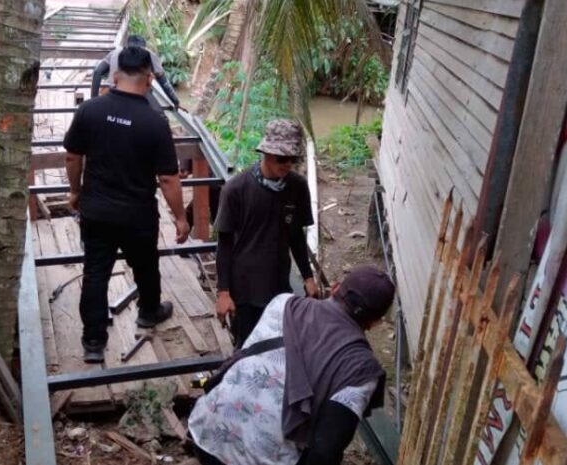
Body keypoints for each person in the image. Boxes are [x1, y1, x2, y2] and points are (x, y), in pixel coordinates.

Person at [188, 266, 395, 465]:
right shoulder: (362, 370)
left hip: (203, 435)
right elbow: (324, 452)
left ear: (335, 288)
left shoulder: (283, 303)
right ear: (376, 321)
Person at [64, 46, 191, 363]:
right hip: (137, 215)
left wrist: (75, 192)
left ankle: (93, 342)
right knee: (146, 265)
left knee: (95, 273)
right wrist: (180, 218)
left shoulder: (90, 110)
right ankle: (149, 312)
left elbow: (72, 156)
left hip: (96, 211)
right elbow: (168, 179)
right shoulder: (155, 121)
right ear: (149, 80)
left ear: (115, 75)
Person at [214, 119, 317, 347]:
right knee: (247, 347)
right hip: (245, 288)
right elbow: (224, 244)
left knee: (278, 345)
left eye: (293, 158)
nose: (287, 164)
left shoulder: (297, 187)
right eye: (281, 158)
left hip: (279, 284)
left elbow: (296, 236)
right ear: (266, 153)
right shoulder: (236, 190)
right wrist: (223, 292)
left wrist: (308, 277)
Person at [90, 35, 181, 112]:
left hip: (109, 91)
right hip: (137, 93)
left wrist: (94, 98)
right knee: (159, 116)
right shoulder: (149, 54)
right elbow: (163, 81)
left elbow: (98, 72)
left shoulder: (115, 52)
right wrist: (175, 101)